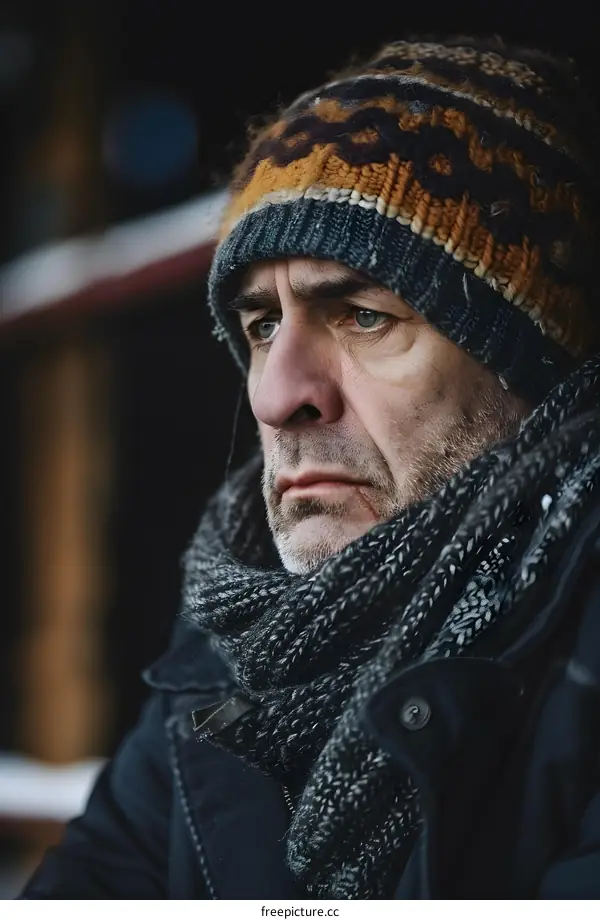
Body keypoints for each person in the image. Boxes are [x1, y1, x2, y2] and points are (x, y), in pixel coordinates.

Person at [20, 35, 600, 899]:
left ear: (534, 364)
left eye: (363, 314)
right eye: (261, 326)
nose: (277, 394)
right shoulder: (233, 647)